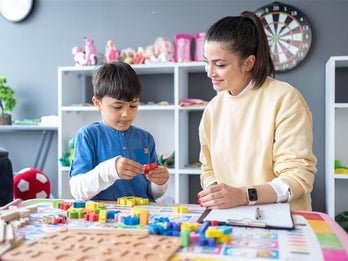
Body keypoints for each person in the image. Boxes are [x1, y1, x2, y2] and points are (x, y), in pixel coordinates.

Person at [197, 11, 317, 211]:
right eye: (206, 62)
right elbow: (208, 169)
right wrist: (217, 193)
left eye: (219, 64)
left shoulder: (284, 98)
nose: (209, 71)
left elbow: (297, 177)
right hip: (232, 218)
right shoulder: (213, 109)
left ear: (248, 63)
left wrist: (244, 195)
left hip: (283, 219)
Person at [69, 62, 169, 201]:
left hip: (142, 217)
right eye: (117, 106)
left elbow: (152, 194)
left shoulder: (146, 138)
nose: (126, 114)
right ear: (97, 103)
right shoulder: (88, 136)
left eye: (133, 105)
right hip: (104, 219)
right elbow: (77, 190)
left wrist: (160, 183)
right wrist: (110, 170)